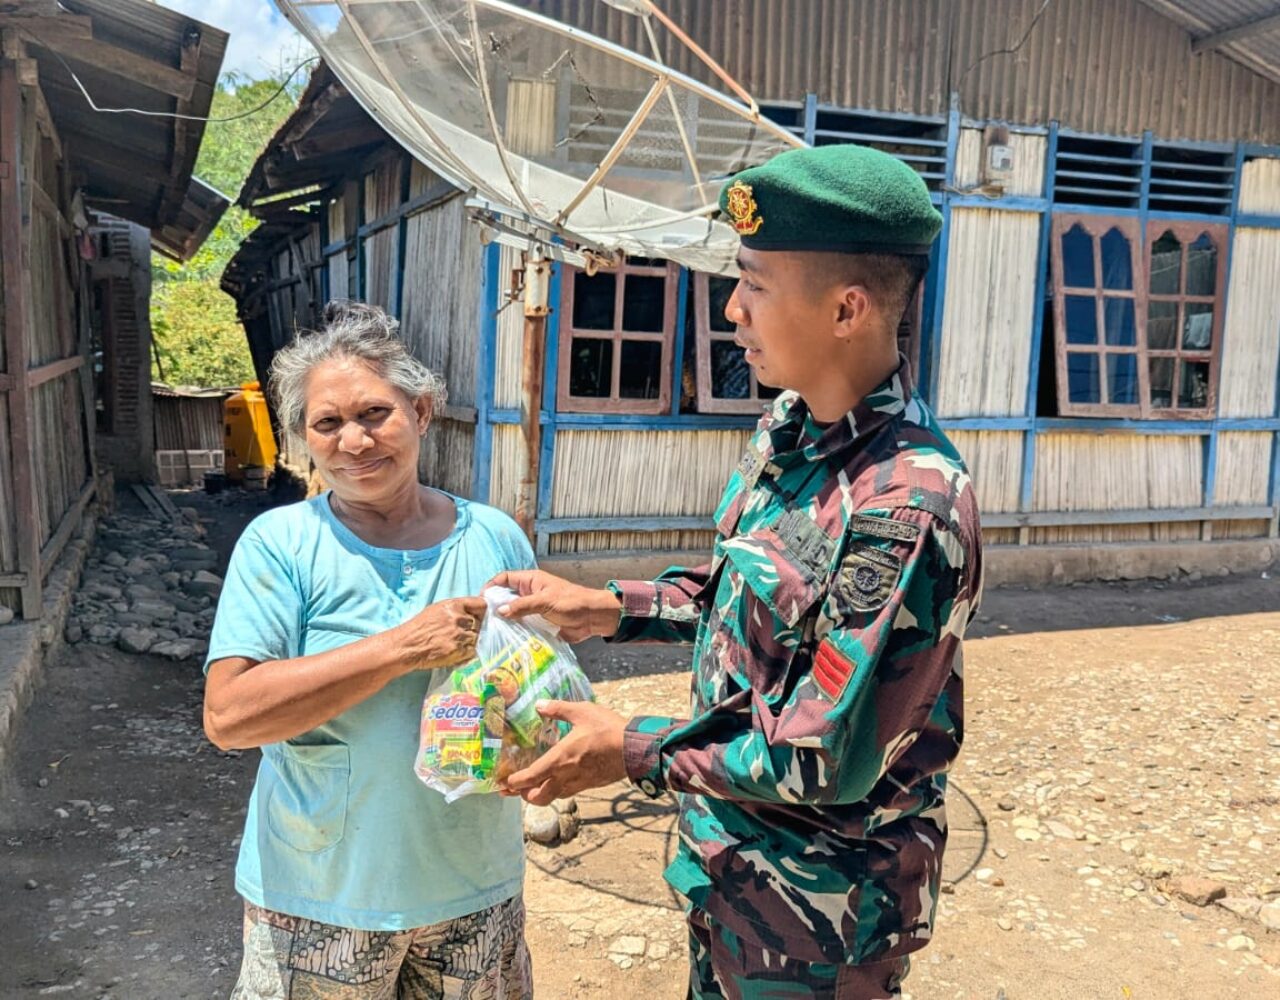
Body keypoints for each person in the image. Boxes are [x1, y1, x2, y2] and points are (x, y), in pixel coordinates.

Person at [494, 144, 983, 999]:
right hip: (729, 878)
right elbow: (743, 595)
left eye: (754, 284)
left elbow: (821, 753)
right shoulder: (789, 430)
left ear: (847, 308)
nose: (731, 309)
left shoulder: (908, 504)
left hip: (822, 922)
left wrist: (630, 748)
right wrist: (608, 607)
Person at [203, 302, 534, 1000]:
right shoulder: (281, 545)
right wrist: (400, 649)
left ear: (421, 410)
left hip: (475, 887)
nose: (354, 441)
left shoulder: (495, 537)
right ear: (303, 437)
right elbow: (229, 717)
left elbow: (532, 689)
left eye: (375, 413)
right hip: (321, 900)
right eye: (327, 423)